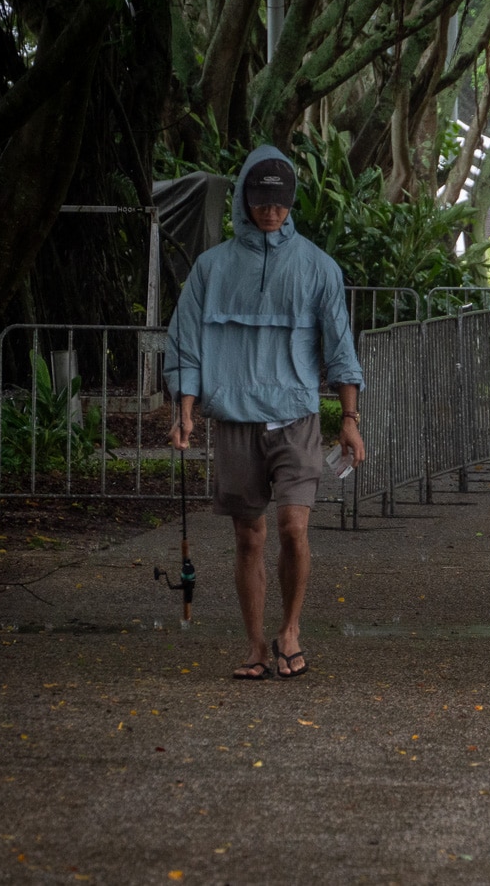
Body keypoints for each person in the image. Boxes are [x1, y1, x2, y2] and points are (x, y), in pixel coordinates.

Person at [165, 145, 366, 681]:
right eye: (260, 202)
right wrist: (185, 411)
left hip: (296, 418)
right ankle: (255, 645)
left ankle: (291, 631)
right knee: (249, 536)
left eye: (280, 203)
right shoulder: (211, 269)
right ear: (243, 201)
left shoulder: (318, 267)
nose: (271, 212)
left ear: (292, 201)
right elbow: (185, 344)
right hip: (235, 419)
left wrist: (349, 420)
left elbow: (340, 349)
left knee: (293, 528)